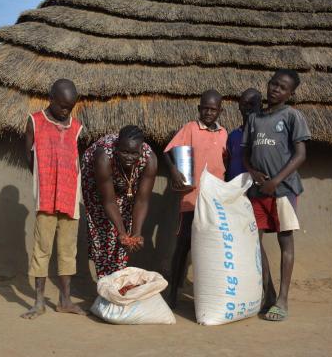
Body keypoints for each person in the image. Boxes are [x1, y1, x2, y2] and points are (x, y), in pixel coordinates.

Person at [242, 69, 311, 322]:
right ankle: (268, 293)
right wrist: (252, 172)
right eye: (274, 84)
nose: (275, 90)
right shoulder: (254, 118)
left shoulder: (293, 116)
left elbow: (300, 154)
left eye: (282, 87)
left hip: (283, 190)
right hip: (258, 191)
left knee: (285, 241)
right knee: (254, 242)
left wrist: (276, 181)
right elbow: (246, 153)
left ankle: (282, 299)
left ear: (290, 93)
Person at [21, 79, 86, 319]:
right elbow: (28, 155)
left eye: (70, 107)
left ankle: (64, 301)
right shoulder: (35, 122)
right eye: (62, 106)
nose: (65, 111)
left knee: (68, 251)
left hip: (70, 199)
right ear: (51, 98)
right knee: (42, 249)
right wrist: (44, 180)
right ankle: (38, 302)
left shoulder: (77, 127)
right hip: (47, 197)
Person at [164, 90, 228, 309]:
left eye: (213, 109)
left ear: (220, 110)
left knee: (211, 248)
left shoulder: (223, 134)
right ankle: (173, 292)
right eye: (205, 108)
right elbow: (168, 151)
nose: (209, 112)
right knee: (182, 246)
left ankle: (208, 295)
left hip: (214, 203)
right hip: (191, 199)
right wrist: (174, 172)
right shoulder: (190, 128)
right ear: (199, 108)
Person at [81, 125, 158, 278]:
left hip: (126, 184)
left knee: (126, 225)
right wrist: (121, 232)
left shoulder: (150, 160)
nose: (129, 157)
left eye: (134, 153)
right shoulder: (103, 156)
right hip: (96, 182)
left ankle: (117, 277)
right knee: (104, 229)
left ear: (141, 150)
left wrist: (135, 233)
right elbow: (109, 201)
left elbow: (142, 200)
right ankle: (104, 280)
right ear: (116, 148)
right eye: (124, 152)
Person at [226, 88, 262, 181]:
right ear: (239, 106)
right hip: (234, 191)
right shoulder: (232, 136)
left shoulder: (267, 134)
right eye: (244, 104)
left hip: (258, 190)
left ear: (260, 106)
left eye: (252, 104)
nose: (248, 107)